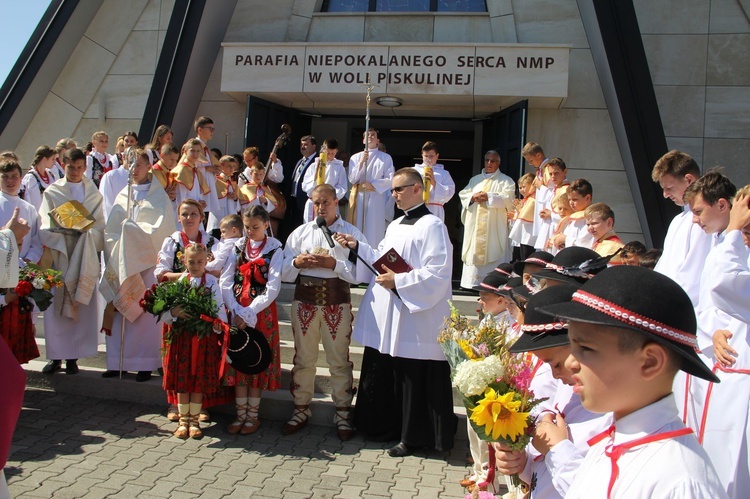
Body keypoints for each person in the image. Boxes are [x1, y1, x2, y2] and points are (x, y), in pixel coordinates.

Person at [538, 265, 726, 498]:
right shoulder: (607, 447)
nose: (572, 363)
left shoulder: (679, 480)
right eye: (573, 347)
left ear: (649, 362)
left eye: (585, 348)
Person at [337, 168, 457, 456]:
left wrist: (399, 281)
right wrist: (357, 247)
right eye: (392, 190)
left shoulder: (432, 226)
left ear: (417, 189)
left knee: (414, 376)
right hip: (394, 312)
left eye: (398, 189)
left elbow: (439, 272)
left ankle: (415, 436)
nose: (394, 195)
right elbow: (381, 256)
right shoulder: (396, 225)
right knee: (391, 371)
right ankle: (387, 427)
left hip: (418, 319)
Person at [496, 284, 610, 499]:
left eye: (557, 364)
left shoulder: (613, 418)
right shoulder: (569, 392)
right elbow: (546, 469)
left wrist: (557, 449)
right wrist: (524, 462)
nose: (556, 375)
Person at [281, 184, 365, 440]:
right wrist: (297, 263)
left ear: (336, 201)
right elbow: (282, 272)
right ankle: (301, 409)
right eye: (316, 203)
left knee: (338, 359)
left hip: (336, 301)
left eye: (325, 202)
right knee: (304, 359)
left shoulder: (350, 233)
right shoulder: (300, 232)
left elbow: (360, 274)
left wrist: (335, 265)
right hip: (304, 300)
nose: (321, 207)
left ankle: (342, 413)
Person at [682, 172, 746, 497]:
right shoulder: (720, 243)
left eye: (698, 211)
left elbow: (728, 287)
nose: (694, 221)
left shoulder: (734, 243)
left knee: (734, 463)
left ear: (723, 205)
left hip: (739, 371)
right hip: (716, 359)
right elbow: (706, 303)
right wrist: (711, 334)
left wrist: (736, 232)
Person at [99, 149, 176, 381]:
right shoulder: (123, 194)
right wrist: (122, 236)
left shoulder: (158, 196)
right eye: (130, 164)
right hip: (122, 264)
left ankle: (145, 364)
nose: (134, 169)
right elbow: (111, 231)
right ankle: (117, 362)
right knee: (119, 310)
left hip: (145, 265)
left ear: (149, 166)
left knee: (143, 316)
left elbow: (162, 231)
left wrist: (132, 232)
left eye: (139, 165)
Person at [155, 199, 225, 422]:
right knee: (176, 357)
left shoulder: (213, 242)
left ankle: (200, 405)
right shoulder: (172, 241)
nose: (189, 218)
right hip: (179, 306)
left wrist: (203, 278)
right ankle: (176, 404)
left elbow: (223, 272)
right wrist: (191, 276)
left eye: (194, 214)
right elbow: (161, 274)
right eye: (184, 214)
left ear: (202, 217)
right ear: (178, 217)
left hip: (205, 309)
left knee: (202, 358)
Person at [39, 148, 105, 375]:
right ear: (63, 165)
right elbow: (44, 227)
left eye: (79, 168)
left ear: (85, 167)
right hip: (61, 255)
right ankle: (55, 357)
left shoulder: (93, 193)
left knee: (79, 306)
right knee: (56, 308)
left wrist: (86, 233)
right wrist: (63, 230)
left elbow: (100, 228)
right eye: (71, 167)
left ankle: (72, 358)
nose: (75, 172)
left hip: (83, 254)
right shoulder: (53, 192)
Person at [220, 206, 282, 435]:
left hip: (260, 312)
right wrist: (234, 308)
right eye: (247, 227)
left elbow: (273, 286)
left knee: (255, 359)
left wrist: (249, 312)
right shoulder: (237, 246)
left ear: (266, 224)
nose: (250, 231)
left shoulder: (275, 249)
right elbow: (226, 280)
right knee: (238, 358)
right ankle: (240, 414)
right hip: (236, 308)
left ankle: (252, 416)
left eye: (255, 227)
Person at [162, 242, 227, 439]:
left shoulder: (211, 284)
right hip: (183, 339)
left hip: (203, 338)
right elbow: (166, 312)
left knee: (198, 378)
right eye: (191, 261)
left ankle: (194, 420)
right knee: (183, 378)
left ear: (207, 260)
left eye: (200, 261)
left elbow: (219, 308)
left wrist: (219, 324)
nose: (196, 265)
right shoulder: (181, 282)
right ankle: (183, 420)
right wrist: (175, 312)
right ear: (184, 261)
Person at [460, 271, 515, 493]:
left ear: (501, 299)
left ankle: (488, 481)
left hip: (496, 388)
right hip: (480, 383)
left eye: (484, 297)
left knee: (489, 439)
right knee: (474, 431)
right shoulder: (489, 318)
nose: (480, 302)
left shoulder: (509, 323)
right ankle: (478, 471)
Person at [651, 150, 712, 306]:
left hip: (685, 310)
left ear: (689, 180)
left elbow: (693, 276)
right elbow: (665, 267)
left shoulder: (702, 220)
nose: (665, 195)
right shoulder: (678, 220)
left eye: (669, 188)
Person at [0, 159, 43, 364]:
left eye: (14, 176)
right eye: (5, 177)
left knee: (17, 332)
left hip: (21, 274)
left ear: (21, 178)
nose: (10, 181)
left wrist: (26, 260)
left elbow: (36, 242)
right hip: (1, 276)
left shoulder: (29, 208)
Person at [458, 150, 515, 289]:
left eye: (493, 160)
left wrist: (488, 197)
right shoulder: (475, 180)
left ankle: (494, 283)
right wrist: (472, 197)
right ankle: (472, 283)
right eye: (487, 160)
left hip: (494, 228)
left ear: (498, 163)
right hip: (476, 225)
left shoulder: (506, 181)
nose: (489, 163)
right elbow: (463, 194)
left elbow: (509, 200)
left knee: (495, 248)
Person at [347, 129, 394, 247]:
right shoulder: (355, 157)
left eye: (373, 135)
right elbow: (352, 179)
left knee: (373, 228)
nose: (370, 136)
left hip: (376, 196)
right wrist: (362, 162)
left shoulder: (385, 158)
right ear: (363, 140)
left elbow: (391, 179)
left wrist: (373, 185)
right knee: (358, 227)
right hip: (359, 196)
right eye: (367, 135)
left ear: (378, 140)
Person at [301, 138, 348, 223]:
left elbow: (342, 187)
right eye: (328, 153)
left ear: (336, 151)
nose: (330, 156)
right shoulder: (313, 166)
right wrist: (316, 175)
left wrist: (328, 196)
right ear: (323, 150)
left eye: (332, 153)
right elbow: (304, 186)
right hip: (313, 203)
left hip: (329, 204)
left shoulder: (339, 168)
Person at [412, 141, 455, 222]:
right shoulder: (414, 171)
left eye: (431, 156)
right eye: (426, 156)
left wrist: (434, 183)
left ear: (437, 156)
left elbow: (450, 192)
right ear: (422, 155)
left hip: (436, 210)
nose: (428, 159)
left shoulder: (444, 173)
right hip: (417, 207)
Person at [549, 178, 594, 251]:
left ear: (588, 198)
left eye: (575, 199)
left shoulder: (592, 218)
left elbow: (586, 245)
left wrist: (565, 239)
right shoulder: (573, 217)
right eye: (569, 199)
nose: (571, 203)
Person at [534, 158, 569, 251]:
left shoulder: (567, 190)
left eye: (556, 173)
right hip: (548, 228)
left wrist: (551, 215)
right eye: (550, 174)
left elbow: (568, 216)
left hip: (556, 230)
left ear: (565, 172)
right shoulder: (556, 188)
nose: (553, 177)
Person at [171, 139, 211, 211]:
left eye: (198, 151)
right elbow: (180, 197)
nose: (195, 154)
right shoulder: (182, 170)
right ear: (185, 152)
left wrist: (200, 203)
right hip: (185, 212)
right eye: (192, 151)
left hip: (194, 209)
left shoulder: (195, 170)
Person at [207, 155, 240, 238]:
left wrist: (235, 198)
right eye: (229, 166)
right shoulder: (215, 180)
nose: (232, 169)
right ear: (221, 165)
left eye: (233, 166)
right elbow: (211, 198)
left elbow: (237, 201)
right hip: (219, 217)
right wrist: (226, 196)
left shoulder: (232, 181)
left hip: (230, 214)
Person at [193, 116, 221, 216]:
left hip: (207, 185)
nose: (212, 131)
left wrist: (215, 170)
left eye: (213, 129)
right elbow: (190, 167)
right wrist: (208, 168)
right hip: (198, 187)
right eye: (210, 128)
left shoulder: (205, 147)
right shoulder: (193, 146)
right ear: (200, 129)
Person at [290, 135, 318, 229]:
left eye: (306, 144)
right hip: (295, 200)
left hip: (306, 200)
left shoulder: (317, 161)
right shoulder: (300, 161)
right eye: (301, 144)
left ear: (314, 146)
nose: (303, 147)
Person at [509, 172, 537, 261]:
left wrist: (519, 209)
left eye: (524, 187)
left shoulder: (533, 199)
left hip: (529, 236)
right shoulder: (526, 200)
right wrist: (514, 215)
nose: (521, 190)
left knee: (527, 258)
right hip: (522, 236)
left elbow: (526, 215)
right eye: (520, 187)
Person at [20, 145, 58, 210]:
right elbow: (33, 202)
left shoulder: (50, 174)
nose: (54, 162)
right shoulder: (31, 177)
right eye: (53, 159)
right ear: (44, 159)